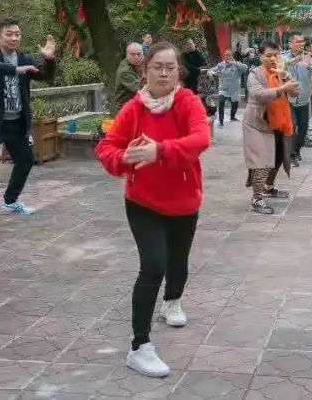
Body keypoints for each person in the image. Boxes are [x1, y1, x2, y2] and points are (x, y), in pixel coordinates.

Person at [96, 42, 211, 378]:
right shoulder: (134, 109)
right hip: (143, 202)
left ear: (179, 72)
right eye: (157, 66)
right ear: (144, 71)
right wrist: (124, 158)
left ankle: (172, 300)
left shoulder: (187, 102)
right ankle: (140, 346)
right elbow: (108, 146)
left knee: (178, 262)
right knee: (153, 266)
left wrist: (159, 150)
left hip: (184, 201)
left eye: (170, 67)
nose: (163, 72)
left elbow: (201, 139)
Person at [0, 18, 56, 232]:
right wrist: (16, 70)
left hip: (16, 122)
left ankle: (11, 200)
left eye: (17, 34)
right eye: (9, 34)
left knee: (26, 160)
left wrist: (49, 59)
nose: (14, 38)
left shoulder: (25, 58)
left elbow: (47, 77)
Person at [243, 41, 299, 214]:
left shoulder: (280, 72)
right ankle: (257, 198)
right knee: (261, 161)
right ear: (260, 56)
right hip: (258, 123)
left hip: (279, 121)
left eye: (276, 55)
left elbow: (295, 91)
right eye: (268, 55)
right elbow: (258, 94)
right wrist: (282, 88)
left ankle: (268, 187)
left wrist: (286, 77)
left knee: (278, 157)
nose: (273, 59)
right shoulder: (255, 73)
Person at [283, 33, 312, 163]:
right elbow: (278, 68)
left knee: (303, 129)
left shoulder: (309, 56)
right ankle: (291, 155)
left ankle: (297, 150)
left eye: (302, 42)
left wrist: (308, 65)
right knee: (291, 126)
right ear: (290, 43)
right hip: (288, 99)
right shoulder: (283, 57)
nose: (301, 44)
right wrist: (290, 63)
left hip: (304, 99)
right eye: (297, 42)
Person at [209, 50, 247, 126]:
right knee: (221, 101)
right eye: (226, 55)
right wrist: (212, 73)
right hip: (224, 89)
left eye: (229, 55)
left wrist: (233, 62)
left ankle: (232, 117)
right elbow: (211, 70)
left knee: (234, 104)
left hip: (234, 89)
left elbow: (245, 68)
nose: (227, 57)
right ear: (224, 56)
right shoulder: (221, 65)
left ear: (232, 56)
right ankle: (221, 121)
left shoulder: (237, 64)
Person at [115, 41, 145, 109]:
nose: (136, 57)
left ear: (143, 54)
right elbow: (141, 89)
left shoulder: (140, 63)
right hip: (125, 108)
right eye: (133, 54)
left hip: (137, 105)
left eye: (139, 54)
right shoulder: (124, 71)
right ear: (127, 55)